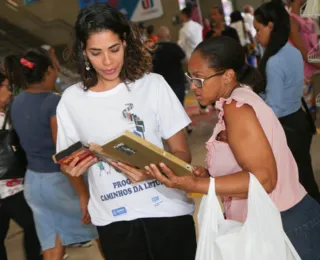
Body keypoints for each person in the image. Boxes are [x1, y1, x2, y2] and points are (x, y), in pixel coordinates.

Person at [146, 36, 320, 259]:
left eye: (199, 79)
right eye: (190, 78)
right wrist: (209, 174)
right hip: (274, 223)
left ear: (228, 76)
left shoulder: (237, 109)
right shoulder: (236, 102)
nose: (193, 86)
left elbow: (265, 179)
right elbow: (248, 163)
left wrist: (197, 184)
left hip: (285, 226)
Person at [57, 3, 196, 260]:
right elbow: (68, 161)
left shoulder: (153, 85)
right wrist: (72, 171)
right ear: (83, 52)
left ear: (125, 42)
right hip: (113, 220)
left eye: (114, 49)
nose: (107, 62)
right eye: (96, 53)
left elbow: (182, 155)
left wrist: (151, 172)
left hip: (166, 211)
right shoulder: (71, 100)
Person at [8, 50, 98, 260]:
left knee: (51, 243)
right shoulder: (52, 103)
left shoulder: (17, 100)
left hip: (34, 183)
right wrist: (84, 194)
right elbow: (65, 154)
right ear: (49, 71)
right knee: (101, 231)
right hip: (61, 183)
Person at [254, 1, 320, 202]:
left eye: (258, 29)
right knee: (305, 176)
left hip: (286, 127)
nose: (256, 35)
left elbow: (274, 106)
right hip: (299, 120)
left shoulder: (274, 62)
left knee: (297, 183)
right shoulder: (292, 51)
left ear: (271, 26)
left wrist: (255, 102)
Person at [0, 73, 42, 260]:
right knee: (34, 224)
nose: (10, 92)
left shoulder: (9, 114)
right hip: (9, 187)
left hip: (14, 185)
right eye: (7, 87)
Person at [288, 0, 320, 119]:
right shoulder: (291, 20)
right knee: (309, 116)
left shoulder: (310, 19)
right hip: (304, 76)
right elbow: (303, 53)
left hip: (315, 72)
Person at [152, 26, 186, 105]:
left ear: (157, 37)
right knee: (179, 105)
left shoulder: (152, 49)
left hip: (160, 84)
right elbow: (186, 61)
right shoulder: (175, 47)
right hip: (177, 81)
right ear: (168, 36)